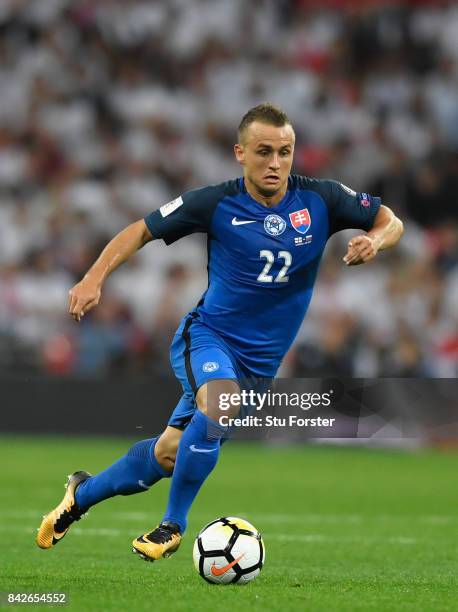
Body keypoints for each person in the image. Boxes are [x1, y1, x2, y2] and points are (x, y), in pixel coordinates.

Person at [36, 103, 403, 561]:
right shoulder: (215, 203)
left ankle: (80, 496)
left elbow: (391, 221)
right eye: (264, 151)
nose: (275, 163)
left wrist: (376, 241)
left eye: (285, 152)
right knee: (219, 403)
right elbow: (140, 230)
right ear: (240, 153)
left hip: (258, 366)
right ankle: (173, 525)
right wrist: (94, 277)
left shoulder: (322, 199)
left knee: (171, 454)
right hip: (208, 337)